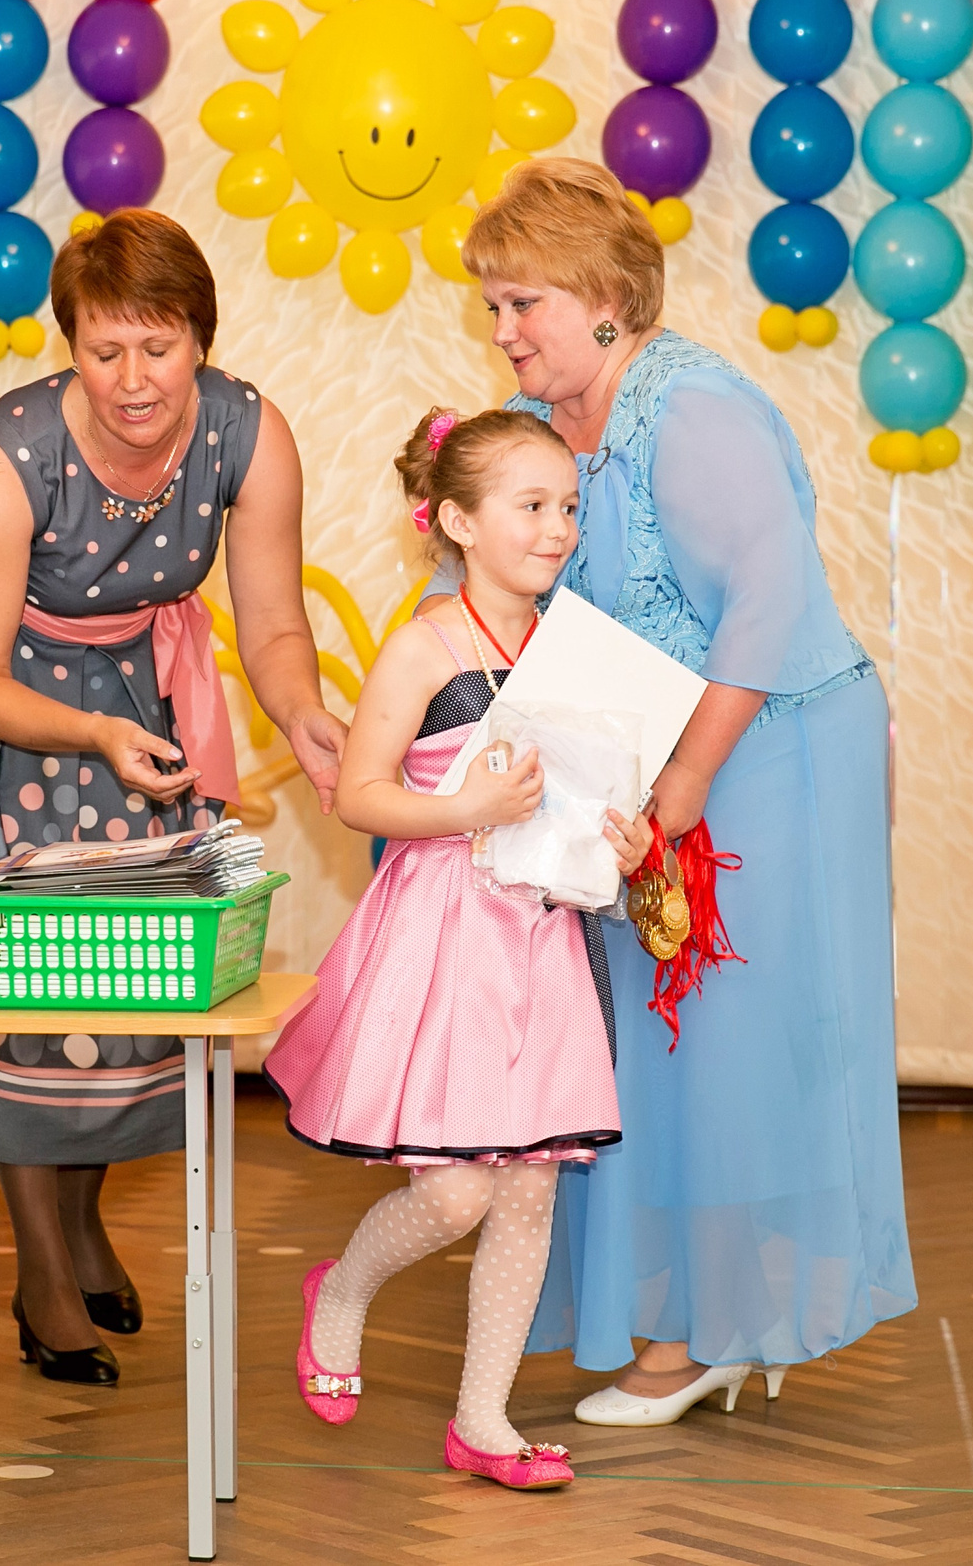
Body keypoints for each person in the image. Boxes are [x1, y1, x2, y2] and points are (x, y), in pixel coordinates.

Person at [434, 157, 915, 1425]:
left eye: (518, 303)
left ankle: (711, 1326)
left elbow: (764, 600)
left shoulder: (689, 410)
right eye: (492, 307)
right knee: (653, 1036)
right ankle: (688, 1308)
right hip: (661, 758)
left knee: (724, 1039)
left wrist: (690, 779)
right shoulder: (558, 420)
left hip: (770, 745)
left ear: (603, 300)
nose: (502, 331)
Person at [0, 210, 348, 1384]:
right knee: (33, 974)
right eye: (103, 350)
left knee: (129, 958)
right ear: (68, 345)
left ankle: (80, 1220)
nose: (132, 380)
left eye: (158, 349)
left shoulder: (250, 434)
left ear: (201, 344)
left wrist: (303, 713)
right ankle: (41, 1271)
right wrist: (95, 735)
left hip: (127, 682)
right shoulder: (4, 455)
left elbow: (272, 623)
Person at [266, 406, 645, 1490]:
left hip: (540, 939)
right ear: (457, 523)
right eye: (531, 506)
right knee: (457, 1193)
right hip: (445, 939)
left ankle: (484, 1421)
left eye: (567, 506)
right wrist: (467, 804)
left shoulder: (570, 647)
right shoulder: (422, 648)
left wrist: (620, 827)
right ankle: (341, 1291)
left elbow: (586, 790)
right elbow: (359, 797)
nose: (557, 527)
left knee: (527, 1189)